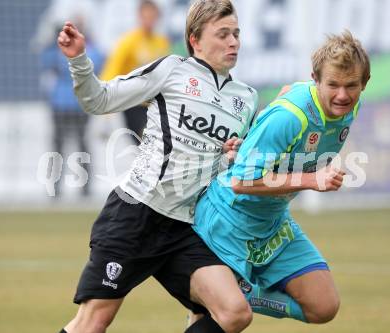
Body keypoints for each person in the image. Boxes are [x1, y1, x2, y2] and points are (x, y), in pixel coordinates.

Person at [56, 1, 259, 332]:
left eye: (236, 33)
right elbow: (99, 100)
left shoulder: (247, 98)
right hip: (136, 214)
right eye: (222, 34)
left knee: (234, 312)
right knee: (92, 323)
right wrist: (79, 60)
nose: (234, 42)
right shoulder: (173, 70)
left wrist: (235, 156)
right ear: (195, 39)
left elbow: (235, 167)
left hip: (184, 228)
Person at [193, 31, 370, 324]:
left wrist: (249, 140)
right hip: (228, 221)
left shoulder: (350, 107)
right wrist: (312, 180)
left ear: (364, 83)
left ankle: (246, 294)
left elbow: (288, 91)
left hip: (271, 221)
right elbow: (240, 182)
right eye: (333, 85)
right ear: (316, 78)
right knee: (226, 317)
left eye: (352, 86)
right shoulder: (292, 115)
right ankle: (230, 297)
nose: (342, 95)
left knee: (323, 306)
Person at [40, 19, 103, 197]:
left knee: (82, 145)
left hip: (80, 104)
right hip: (61, 103)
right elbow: (47, 62)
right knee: (58, 146)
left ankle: (85, 188)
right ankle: (54, 187)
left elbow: (97, 62)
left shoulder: (89, 48)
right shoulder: (57, 48)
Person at [100, 0, 170, 144]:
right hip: (134, 104)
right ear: (139, 17)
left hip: (155, 104)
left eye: (152, 16)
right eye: (145, 16)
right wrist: (104, 104)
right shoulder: (128, 41)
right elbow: (112, 68)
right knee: (146, 144)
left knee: (157, 147)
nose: (149, 20)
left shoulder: (161, 42)